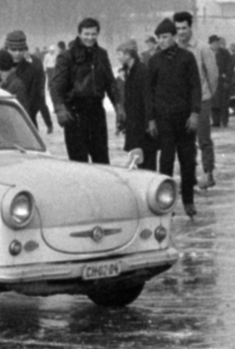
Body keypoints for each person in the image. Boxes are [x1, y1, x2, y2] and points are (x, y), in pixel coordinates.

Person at [144, 18, 201, 215]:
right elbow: (149, 92)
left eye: (165, 37)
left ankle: (188, 201)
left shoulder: (187, 58)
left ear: (174, 37)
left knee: (187, 161)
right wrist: (151, 119)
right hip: (163, 119)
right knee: (166, 161)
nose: (161, 41)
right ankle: (166, 203)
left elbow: (196, 87)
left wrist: (195, 113)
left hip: (185, 119)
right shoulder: (154, 61)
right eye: (159, 37)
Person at [49, 18, 122, 165]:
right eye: (86, 34)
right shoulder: (67, 56)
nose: (90, 38)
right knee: (78, 162)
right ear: (79, 33)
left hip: (96, 112)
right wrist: (60, 108)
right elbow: (56, 85)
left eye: (94, 34)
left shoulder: (101, 54)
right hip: (75, 113)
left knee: (101, 160)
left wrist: (118, 105)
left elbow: (110, 83)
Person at [172, 12, 219, 187]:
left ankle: (208, 172)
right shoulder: (173, 48)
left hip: (201, 101)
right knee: (185, 141)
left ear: (190, 27)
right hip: (179, 102)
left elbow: (213, 75)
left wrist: (206, 96)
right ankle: (189, 174)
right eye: (177, 28)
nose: (181, 32)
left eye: (184, 28)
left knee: (203, 139)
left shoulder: (202, 48)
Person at [115, 39, 156, 170]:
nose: (117, 57)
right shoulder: (129, 71)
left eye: (119, 54)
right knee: (137, 157)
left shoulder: (141, 71)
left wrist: (150, 119)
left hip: (142, 122)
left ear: (128, 55)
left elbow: (148, 97)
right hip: (133, 122)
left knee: (146, 157)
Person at [2, 31, 52, 133]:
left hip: (28, 117)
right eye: (13, 49)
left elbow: (40, 95)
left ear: (25, 48)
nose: (17, 53)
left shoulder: (35, 65)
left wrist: (47, 120)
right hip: (2, 117)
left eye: (21, 49)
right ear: (6, 48)